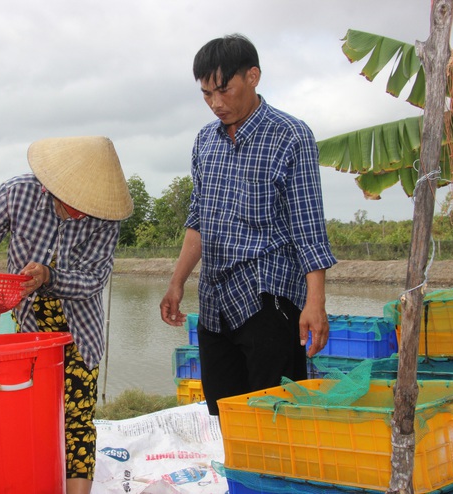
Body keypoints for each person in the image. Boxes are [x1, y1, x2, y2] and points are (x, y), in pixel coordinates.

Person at [0, 136, 133, 494]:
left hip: (79, 329)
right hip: (29, 327)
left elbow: (94, 279)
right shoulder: (19, 192)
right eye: (74, 203)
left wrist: (49, 276)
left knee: (76, 418)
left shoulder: (105, 216)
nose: (79, 212)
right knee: (28, 412)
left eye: (85, 207)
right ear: (54, 185)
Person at [160, 34, 337, 417]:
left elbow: (308, 228)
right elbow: (198, 219)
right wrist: (177, 282)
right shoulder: (205, 141)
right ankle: (238, 477)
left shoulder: (290, 136)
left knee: (273, 414)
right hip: (215, 301)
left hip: (267, 298)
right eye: (206, 94)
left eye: (224, 90)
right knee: (224, 413)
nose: (216, 104)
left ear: (253, 76)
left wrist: (315, 302)